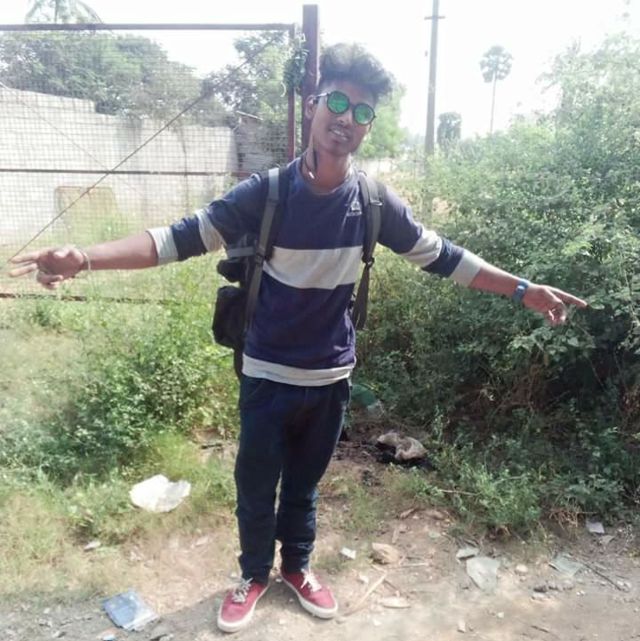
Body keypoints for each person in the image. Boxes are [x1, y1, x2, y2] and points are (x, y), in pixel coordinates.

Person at [9, 43, 587, 633]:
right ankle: (253, 575)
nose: (346, 118)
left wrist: (522, 289)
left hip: (330, 378)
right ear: (313, 104)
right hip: (266, 375)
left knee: (305, 490)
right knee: (256, 487)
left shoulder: (373, 202)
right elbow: (175, 239)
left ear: (369, 126)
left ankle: (297, 568)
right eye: (337, 101)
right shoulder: (266, 194)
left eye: (362, 111)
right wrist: (84, 257)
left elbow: (443, 257)